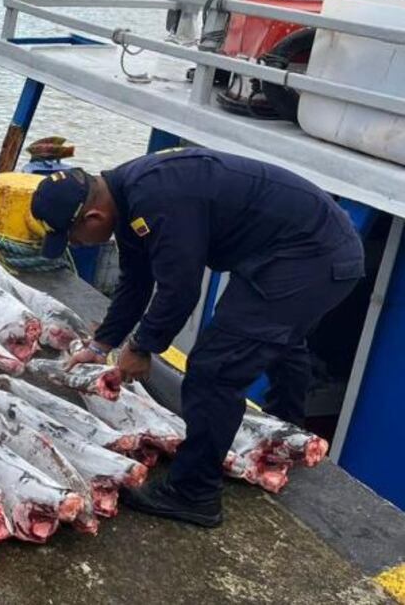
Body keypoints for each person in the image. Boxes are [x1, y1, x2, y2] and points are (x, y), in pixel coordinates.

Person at [31, 148, 364, 527]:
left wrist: (142, 347)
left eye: (73, 238)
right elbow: (137, 280)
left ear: (94, 217)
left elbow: (180, 289)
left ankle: (193, 493)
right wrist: (100, 345)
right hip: (300, 248)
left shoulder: (154, 201)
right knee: (274, 341)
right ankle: (284, 435)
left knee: (215, 368)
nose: (76, 246)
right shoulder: (126, 194)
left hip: (311, 255)